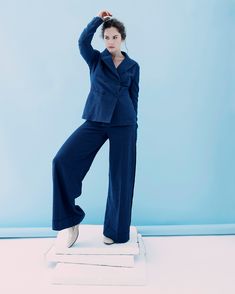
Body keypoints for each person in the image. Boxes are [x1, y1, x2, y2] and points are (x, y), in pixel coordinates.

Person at [52, 10, 140, 248]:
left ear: (122, 38)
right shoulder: (95, 59)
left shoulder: (133, 66)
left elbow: (134, 98)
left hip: (125, 123)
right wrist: (97, 21)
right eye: (107, 37)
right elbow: (82, 41)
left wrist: (134, 124)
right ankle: (69, 219)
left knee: (121, 178)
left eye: (115, 37)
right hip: (97, 120)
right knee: (62, 160)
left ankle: (117, 232)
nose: (111, 41)